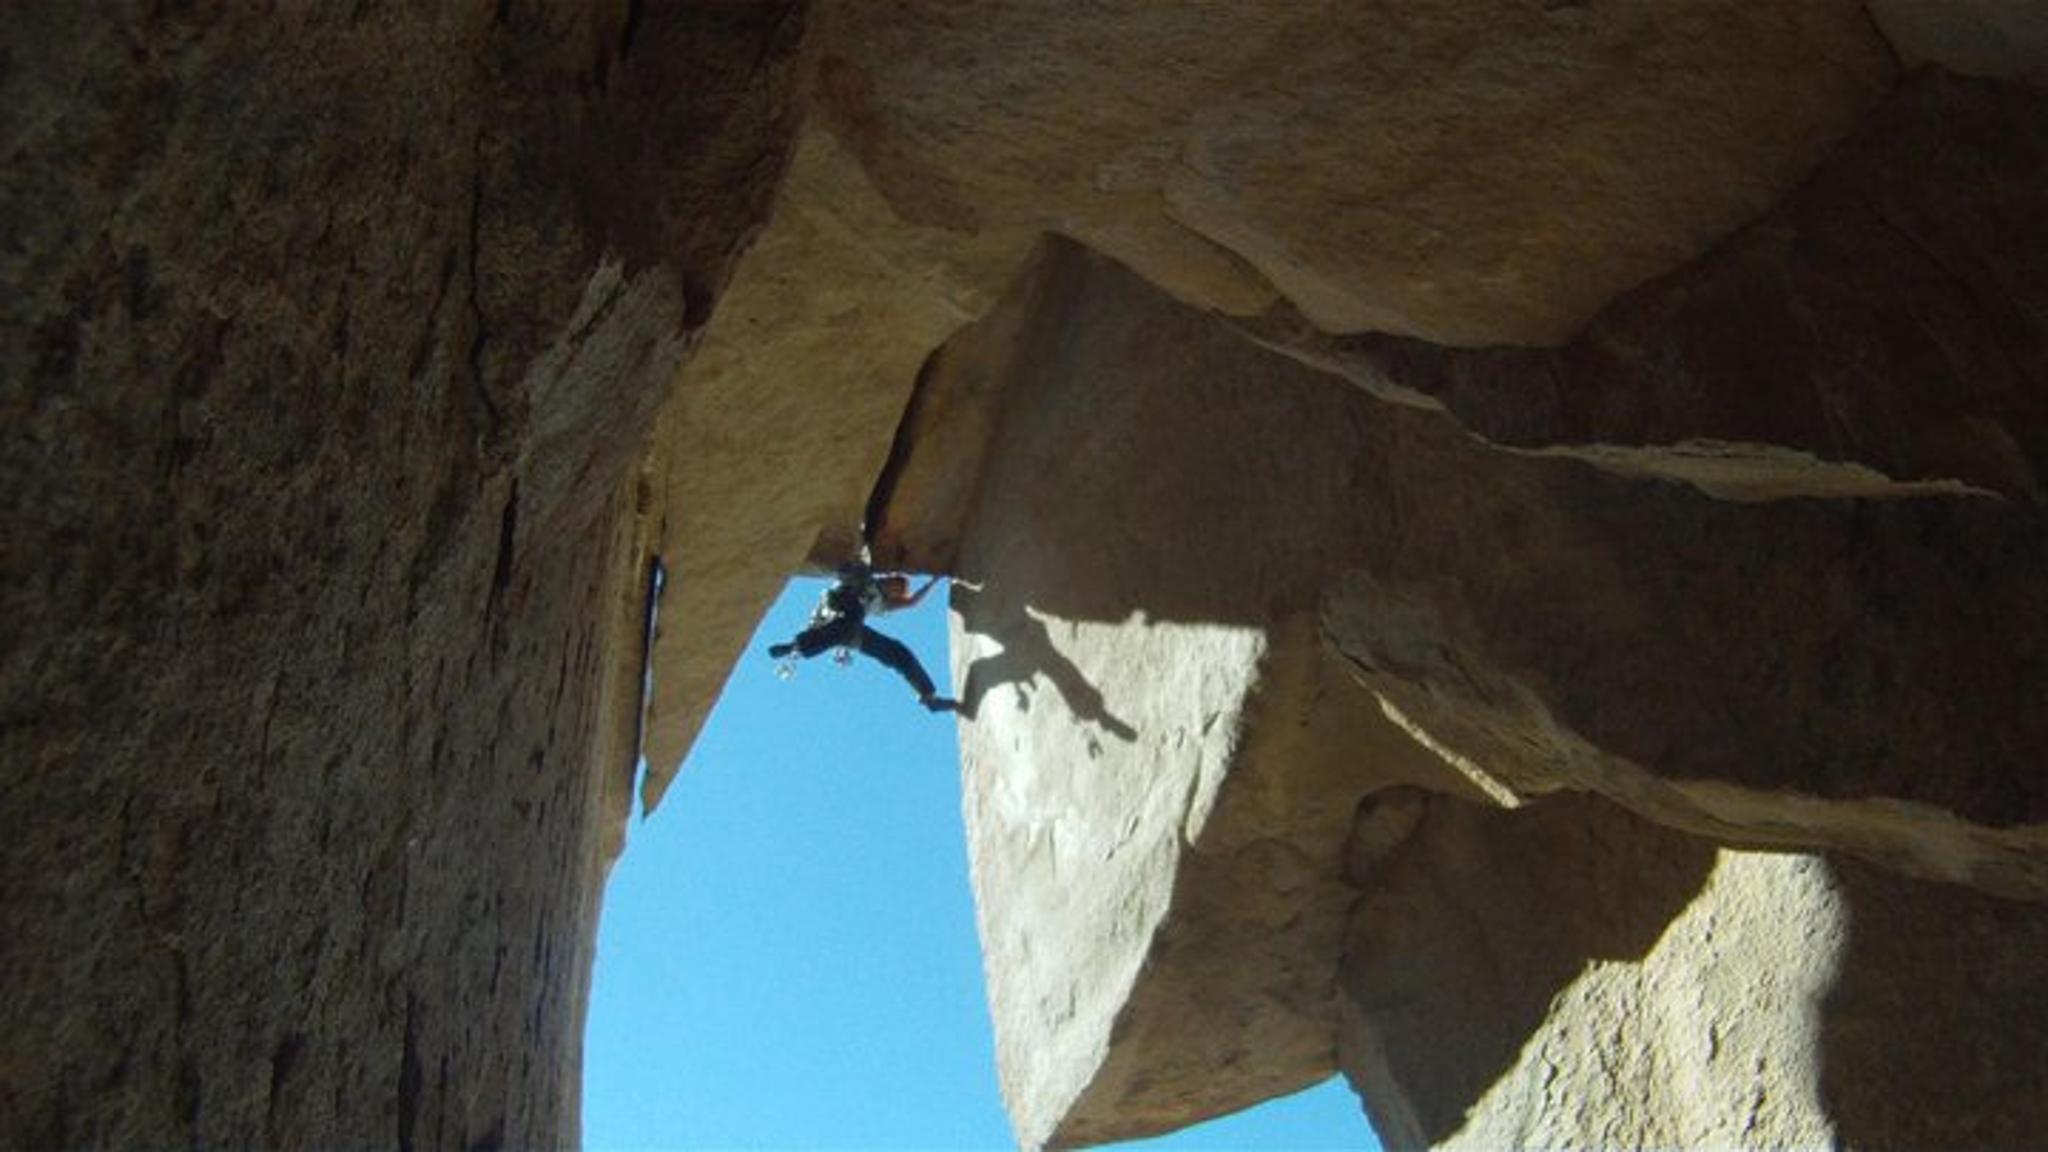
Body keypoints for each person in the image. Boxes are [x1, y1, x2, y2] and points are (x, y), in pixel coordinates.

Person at [768, 559, 958, 713]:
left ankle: (929, 697)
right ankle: (795, 645)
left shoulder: (884, 604)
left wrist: (933, 582)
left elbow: (913, 601)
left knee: (898, 652)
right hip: (840, 601)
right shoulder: (870, 580)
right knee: (848, 613)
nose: (893, 589)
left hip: (851, 628)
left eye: (897, 591)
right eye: (894, 584)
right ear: (888, 579)